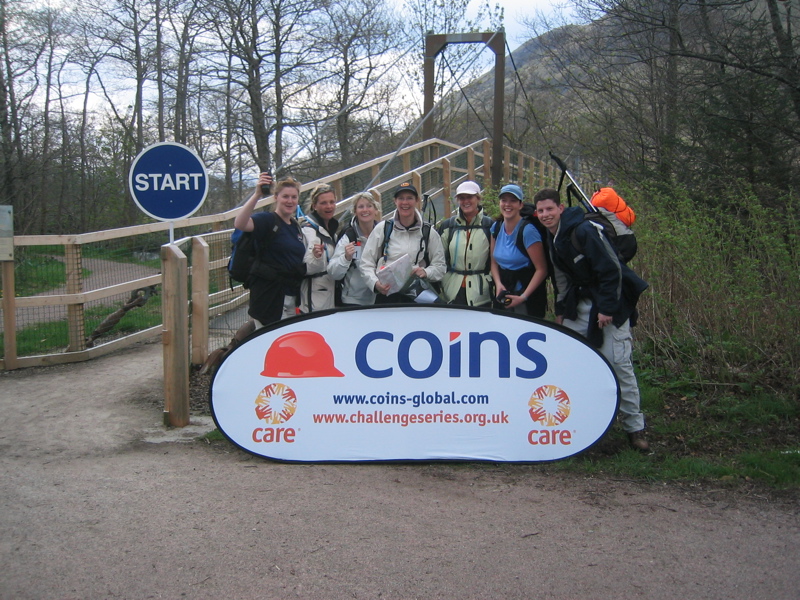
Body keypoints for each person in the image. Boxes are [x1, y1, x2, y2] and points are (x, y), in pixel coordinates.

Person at [533, 187, 650, 452]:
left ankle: (635, 429)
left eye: (550, 209)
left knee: (619, 366)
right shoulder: (553, 237)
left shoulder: (584, 230)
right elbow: (561, 279)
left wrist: (607, 308)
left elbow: (611, 269)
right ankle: (588, 428)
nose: (545, 215)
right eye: (540, 211)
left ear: (560, 208)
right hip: (580, 306)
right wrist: (561, 311)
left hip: (610, 307)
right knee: (577, 367)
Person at [233, 173, 306, 328]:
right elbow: (240, 223)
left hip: (290, 297)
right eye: (285, 196)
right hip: (269, 298)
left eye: (294, 197)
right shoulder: (267, 220)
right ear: (276, 198)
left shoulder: (295, 226)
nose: (290, 201)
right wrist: (257, 194)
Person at [359, 182, 446, 304]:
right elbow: (366, 263)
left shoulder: (428, 232)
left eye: (409, 198)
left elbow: (440, 267)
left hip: (418, 295)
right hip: (387, 295)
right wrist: (375, 284)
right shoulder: (382, 229)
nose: (405, 202)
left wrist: (426, 272)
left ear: (417, 200)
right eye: (401, 198)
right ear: (395, 201)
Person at [489, 184, 549, 317]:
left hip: (526, 296)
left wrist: (523, 296)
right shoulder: (496, 228)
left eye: (513, 201)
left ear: (520, 205)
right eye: (504, 200)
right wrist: (498, 284)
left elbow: (542, 269)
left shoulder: (528, 231)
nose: (507, 204)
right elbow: (493, 263)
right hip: (503, 292)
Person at [436, 181, 494, 307]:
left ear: (478, 198)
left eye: (469, 197)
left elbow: (496, 260)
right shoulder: (448, 226)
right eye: (462, 198)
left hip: (481, 293)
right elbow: (438, 257)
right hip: (452, 291)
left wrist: (489, 281)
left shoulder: (490, 226)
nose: (465, 201)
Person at [327, 192, 381, 306]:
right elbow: (333, 273)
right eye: (361, 207)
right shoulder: (349, 237)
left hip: (381, 297)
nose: (365, 210)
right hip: (354, 301)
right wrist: (346, 258)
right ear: (355, 212)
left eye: (369, 206)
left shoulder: (384, 234)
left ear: (376, 210)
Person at [299, 184, 339, 313]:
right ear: (314, 205)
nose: (329, 206)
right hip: (314, 298)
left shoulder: (332, 231)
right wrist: (316, 257)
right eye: (323, 203)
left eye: (332, 202)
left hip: (328, 294)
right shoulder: (309, 231)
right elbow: (306, 268)